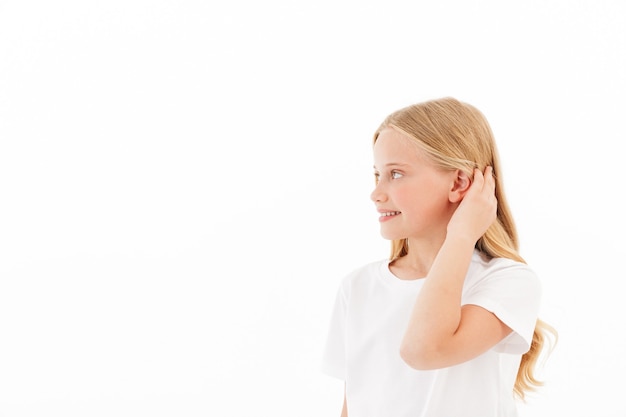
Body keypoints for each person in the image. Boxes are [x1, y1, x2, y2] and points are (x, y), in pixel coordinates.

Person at [321, 97, 556, 417]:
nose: (376, 193)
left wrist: (461, 235)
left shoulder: (507, 282)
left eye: (397, 174)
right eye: (378, 175)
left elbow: (424, 349)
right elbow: (354, 405)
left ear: (459, 182)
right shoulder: (358, 287)